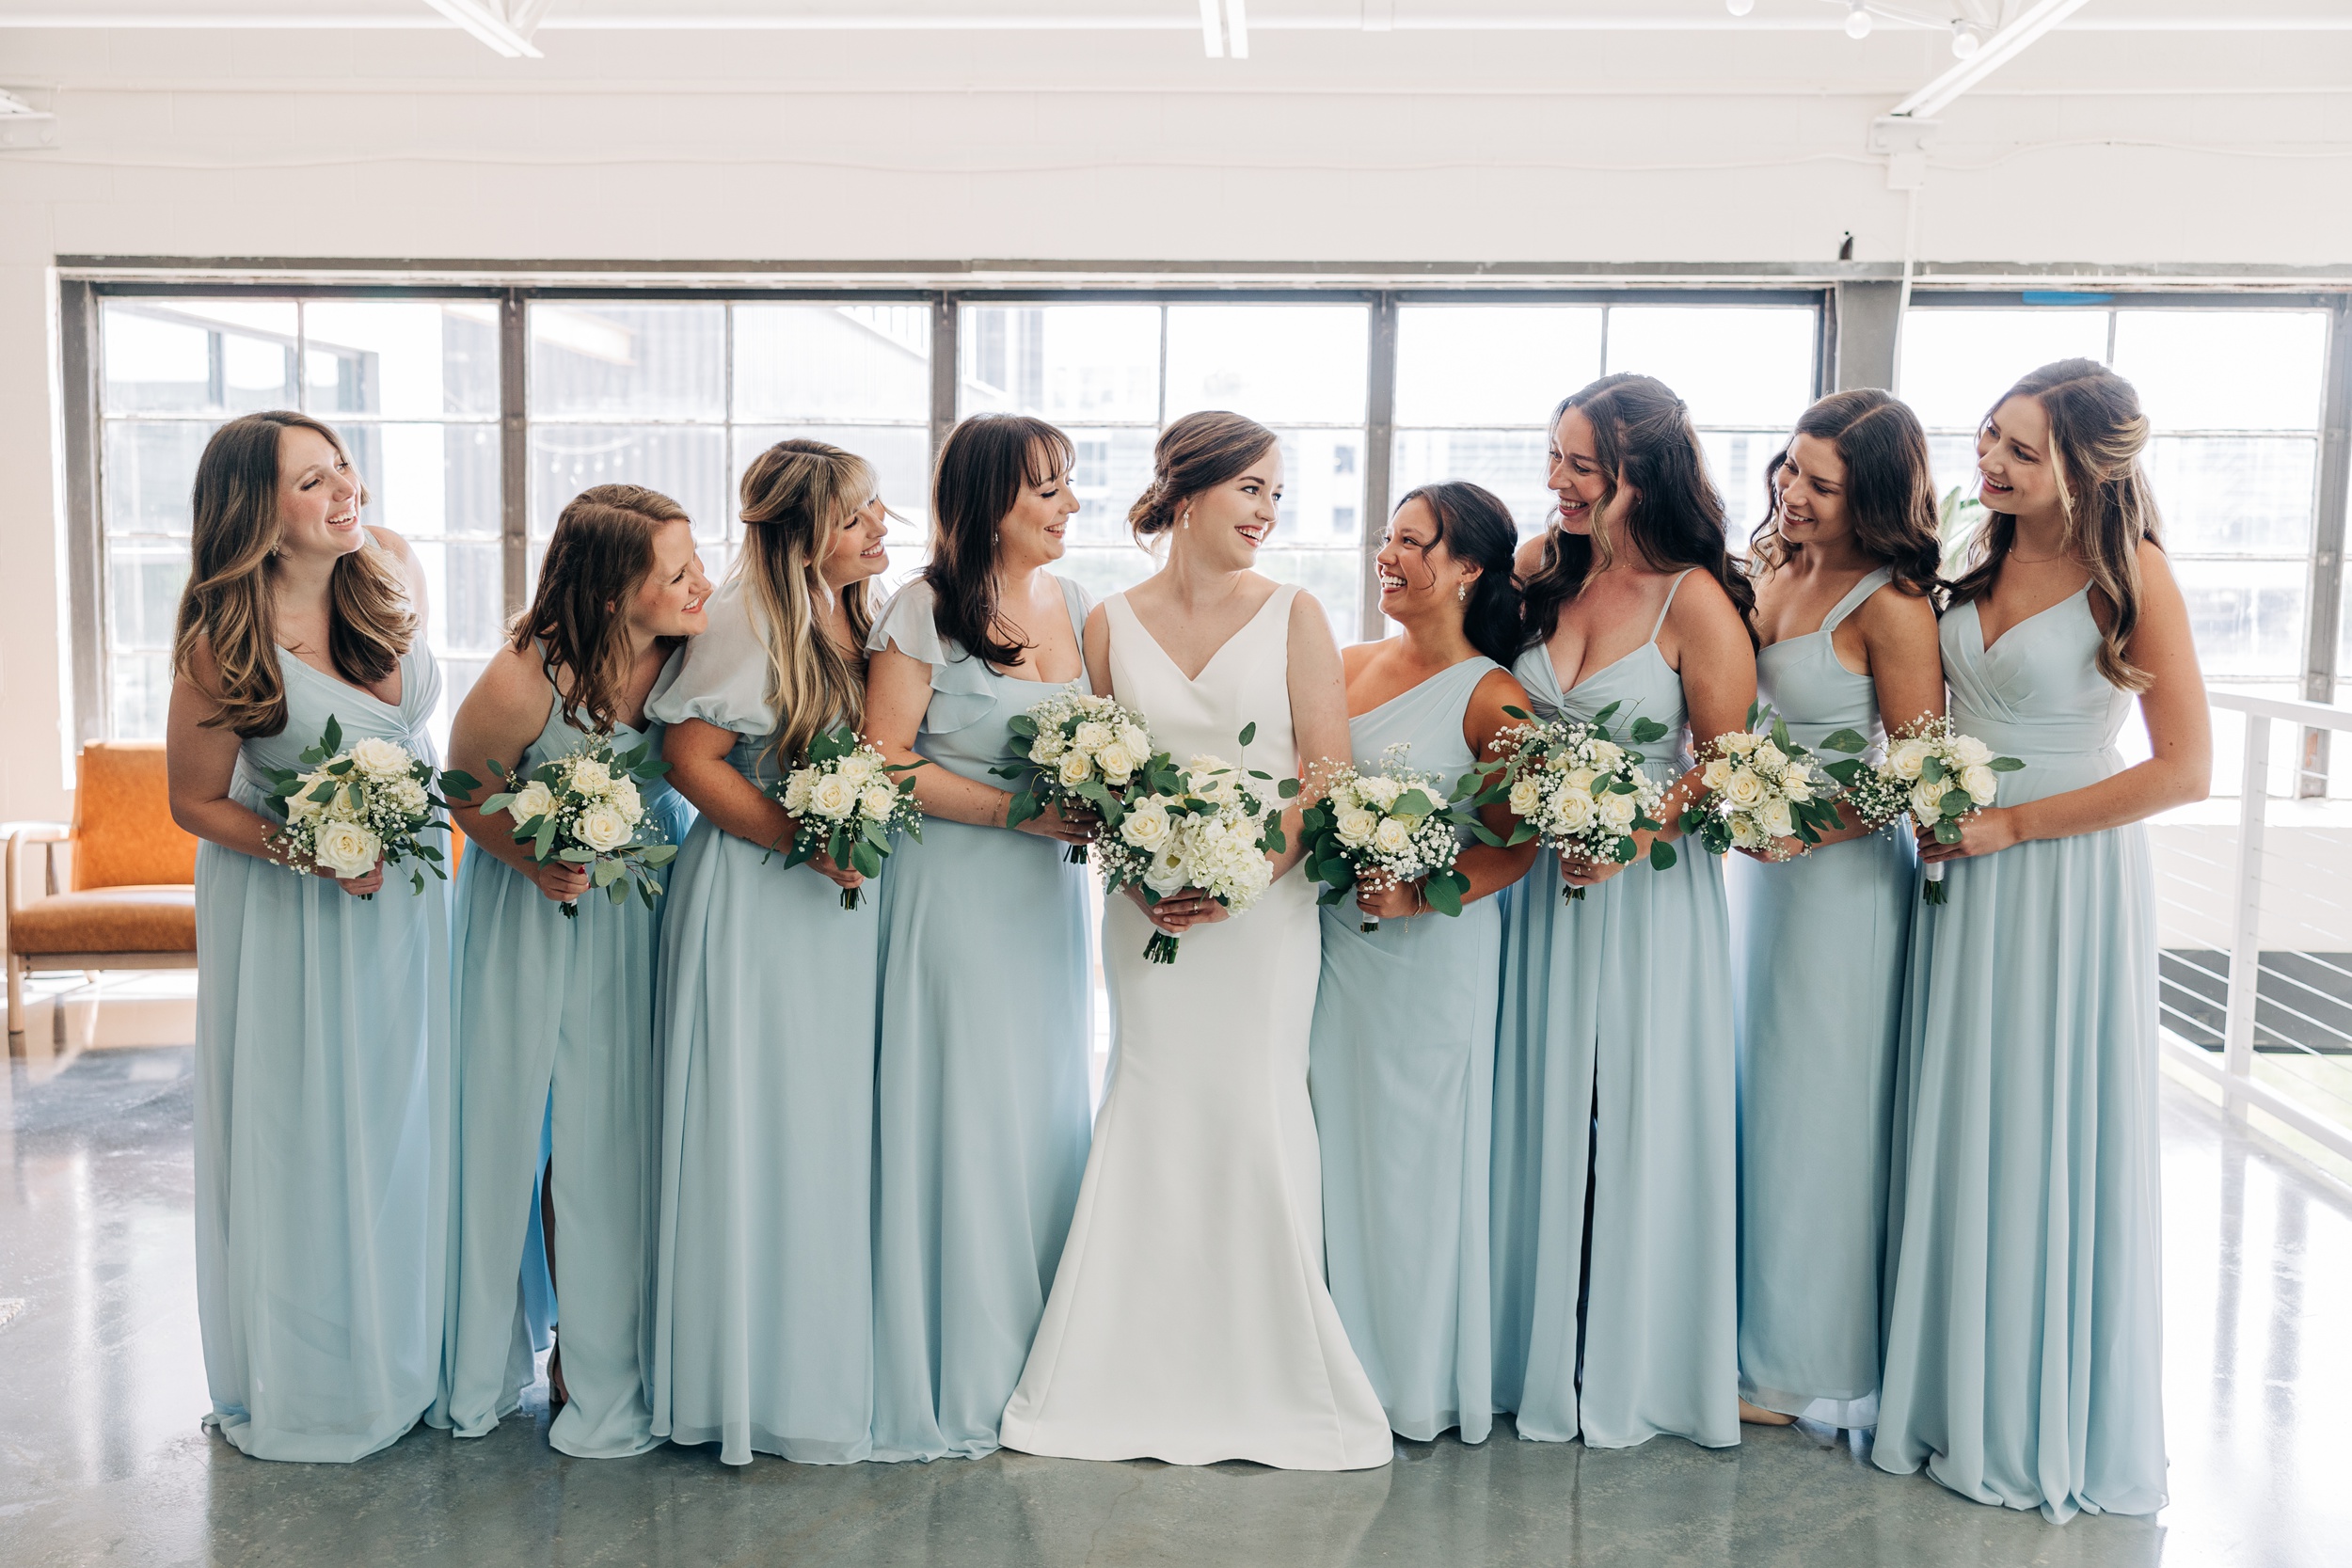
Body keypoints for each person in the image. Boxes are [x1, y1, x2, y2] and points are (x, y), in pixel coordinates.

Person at [999, 410, 1392, 1470]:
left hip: (1263, 918)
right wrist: (1144, 868)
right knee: (1155, 1102)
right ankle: (1123, 1369)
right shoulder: (1104, 624)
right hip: (1144, 914)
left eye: (1276, 493)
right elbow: (1089, 775)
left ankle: (1275, 1375)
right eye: (1252, 488)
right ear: (1188, 490)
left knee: (1254, 1112)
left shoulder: (1297, 613)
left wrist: (1243, 872)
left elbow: (1325, 777)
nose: (1268, 511)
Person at [1875, 360, 2205, 1521]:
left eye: (2019, 450)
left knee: (2040, 1122)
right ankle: (1942, 1394)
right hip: (1958, 875)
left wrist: (2013, 820)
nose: (1991, 465)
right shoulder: (1977, 554)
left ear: (2087, 462)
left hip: (2062, 876)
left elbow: (2182, 767)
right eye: (1987, 440)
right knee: (1961, 1116)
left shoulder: (2134, 576)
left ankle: (2030, 1405)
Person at [167, 410, 447, 1462]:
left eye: (343, 468)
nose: (346, 492)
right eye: (312, 482)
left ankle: (410, 1341)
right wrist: (313, 852)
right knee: (313, 1126)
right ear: (258, 515)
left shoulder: (394, 570)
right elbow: (195, 802)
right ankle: (321, 1367)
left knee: (408, 1113)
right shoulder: (221, 640)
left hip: (413, 903)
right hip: (294, 913)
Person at [1491, 373, 1756, 1450]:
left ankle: (1638, 1356)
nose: (1555, 481)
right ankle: (1524, 1344)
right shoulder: (1533, 572)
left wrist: (1633, 832)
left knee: (1633, 1113)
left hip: (1643, 896)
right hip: (1525, 893)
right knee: (1532, 1104)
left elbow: (1728, 760)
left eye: (1579, 465)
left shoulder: (1693, 597)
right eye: (1552, 457)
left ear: (1637, 472)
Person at [435, 484, 708, 1456]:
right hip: (536, 913)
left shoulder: (688, 650)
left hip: (642, 911)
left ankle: (609, 1345)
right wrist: (533, 853)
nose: (699, 584)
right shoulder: (525, 676)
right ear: (606, 591)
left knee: (620, 1129)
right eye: (676, 573)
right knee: (535, 1123)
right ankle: (536, 1341)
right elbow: (463, 788)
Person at [644, 439, 891, 1465]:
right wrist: (801, 837)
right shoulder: (750, 618)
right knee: (757, 1118)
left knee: (820, 1122)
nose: (881, 529)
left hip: (828, 901)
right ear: (801, 530)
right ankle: (739, 1373)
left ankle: (815, 1348)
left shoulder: (850, 610)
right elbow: (687, 752)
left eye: (876, 510)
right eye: (858, 516)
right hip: (753, 895)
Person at [863, 414, 1098, 1461]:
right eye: (1047, 489)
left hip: (1045, 900)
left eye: (1068, 486)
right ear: (990, 497)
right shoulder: (924, 607)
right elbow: (887, 760)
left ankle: (1039, 1355)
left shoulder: (1077, 602)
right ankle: (959, 1355)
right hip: (953, 893)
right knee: (962, 1105)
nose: (1068, 508)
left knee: (1039, 1103)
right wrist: (1018, 813)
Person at [1731, 390, 1947, 1431]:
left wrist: (1802, 828)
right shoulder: (1772, 566)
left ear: (1873, 496)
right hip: (1756, 874)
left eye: (1823, 484)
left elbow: (1916, 772)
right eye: (1790, 470)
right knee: (1753, 1097)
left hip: (1841, 890)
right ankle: (1741, 1327)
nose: (1795, 494)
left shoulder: (1890, 604)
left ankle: (1795, 1358)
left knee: (1815, 1111)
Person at [1308, 482, 1537, 1445]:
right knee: (1321, 1147)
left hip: (1426, 958)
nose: (1388, 556)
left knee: (1406, 1159)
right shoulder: (1344, 662)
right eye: (1385, 538)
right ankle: (1316, 1361)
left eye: (1413, 542)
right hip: (1322, 948)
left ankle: (1400, 1376)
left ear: (1467, 567)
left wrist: (1416, 888)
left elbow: (1515, 843)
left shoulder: (1495, 696)